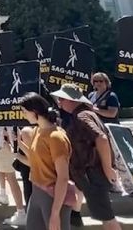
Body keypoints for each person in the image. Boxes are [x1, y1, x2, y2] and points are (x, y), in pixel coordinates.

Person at [51, 84, 122, 230]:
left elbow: (101, 138)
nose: (59, 102)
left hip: (92, 174)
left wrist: (108, 168)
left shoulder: (81, 116)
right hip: (90, 174)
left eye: (61, 99)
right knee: (104, 216)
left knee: (107, 218)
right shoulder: (86, 113)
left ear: (70, 100)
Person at [19, 92, 72, 230]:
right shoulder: (37, 131)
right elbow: (37, 162)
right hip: (37, 192)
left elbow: (63, 177)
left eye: (24, 112)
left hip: (53, 196)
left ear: (34, 111)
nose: (23, 115)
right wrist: (16, 151)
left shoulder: (56, 137)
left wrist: (55, 212)